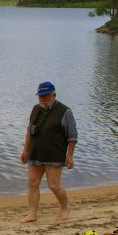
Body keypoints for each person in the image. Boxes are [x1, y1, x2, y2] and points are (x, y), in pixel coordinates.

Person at [19, 81, 77, 224]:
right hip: (35, 153)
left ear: (54, 95)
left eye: (46, 96)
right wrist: (25, 150)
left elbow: (72, 137)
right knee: (33, 183)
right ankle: (32, 213)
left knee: (54, 185)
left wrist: (69, 156)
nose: (43, 99)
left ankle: (65, 208)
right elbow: (29, 131)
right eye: (41, 97)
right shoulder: (35, 109)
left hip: (54, 154)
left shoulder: (65, 112)